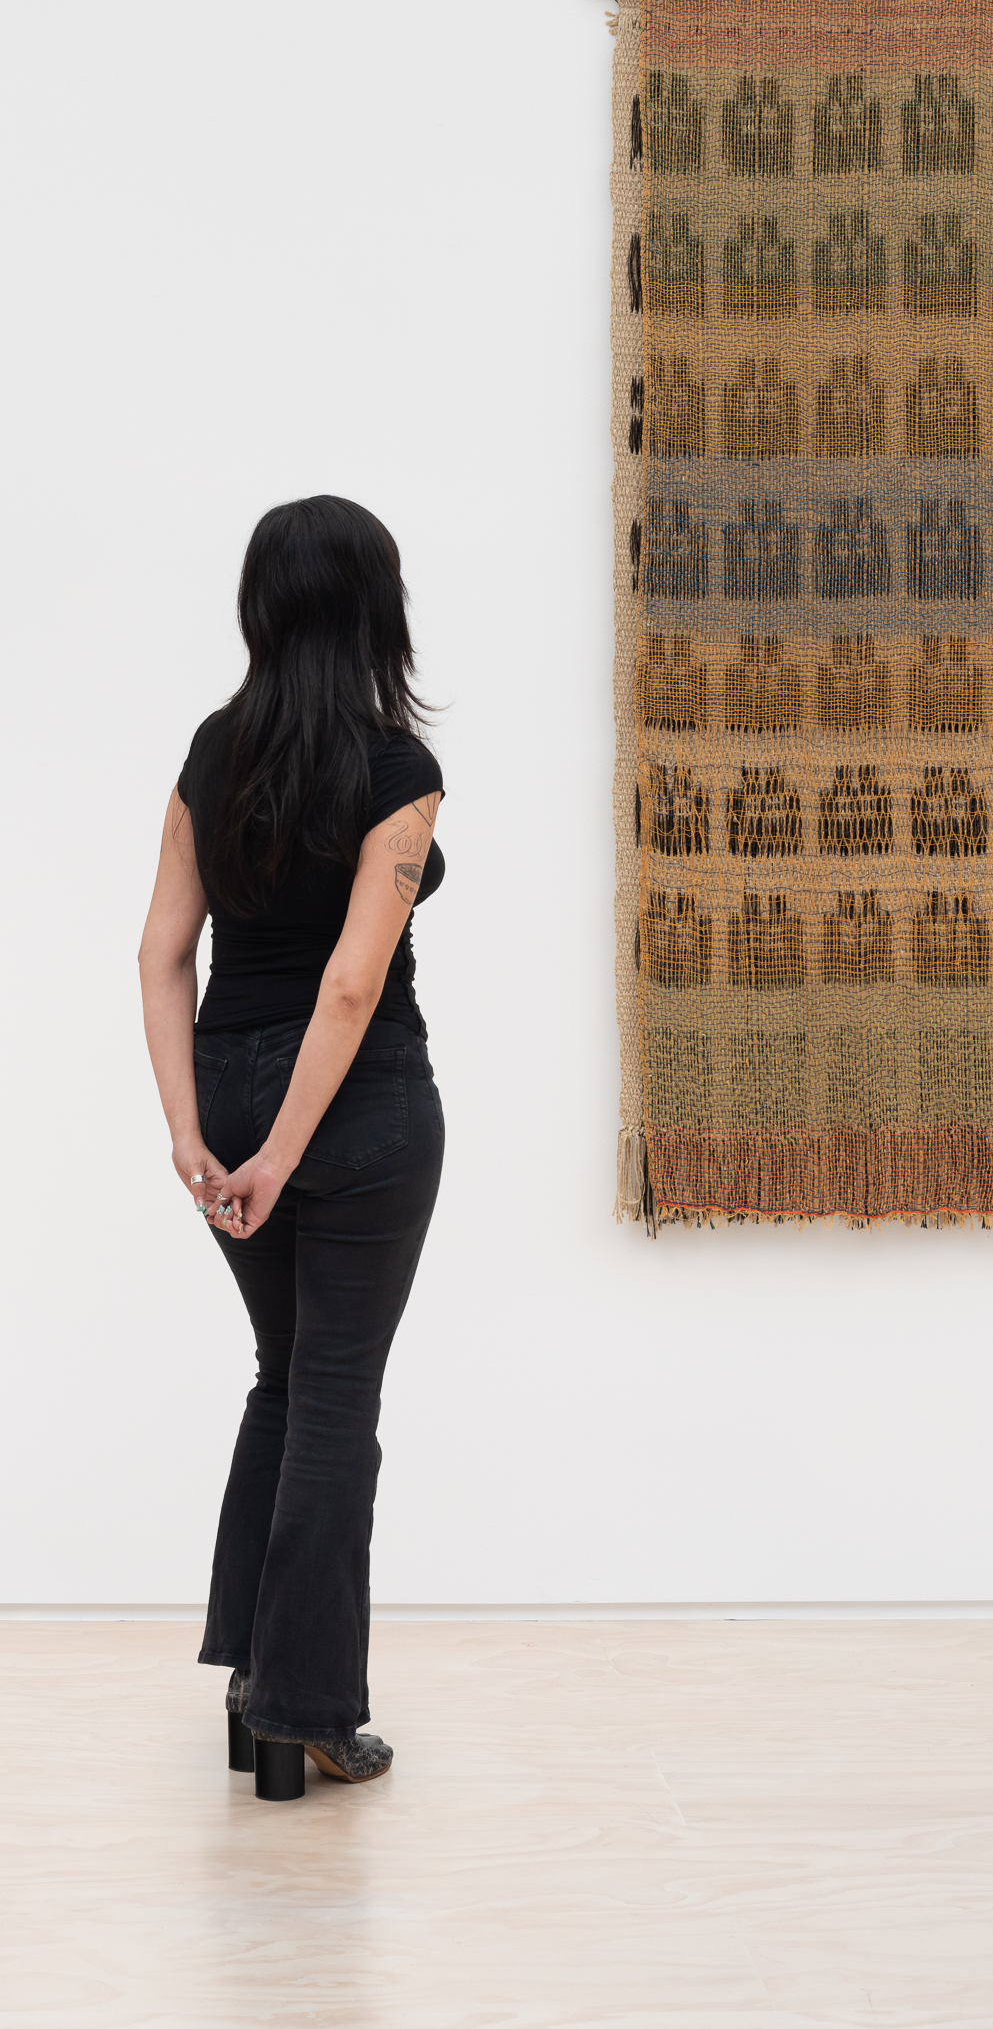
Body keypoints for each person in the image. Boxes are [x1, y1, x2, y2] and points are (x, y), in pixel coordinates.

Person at [138, 496, 446, 1796]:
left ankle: (253, 1687)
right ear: (377, 609)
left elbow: (162, 952)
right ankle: (306, 1709)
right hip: (360, 1105)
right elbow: (351, 984)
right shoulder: (396, 769)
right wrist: (288, 1148)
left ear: (261, 608)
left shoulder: (214, 754)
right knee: (332, 1398)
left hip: (226, 1086)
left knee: (283, 1376)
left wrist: (195, 1134)